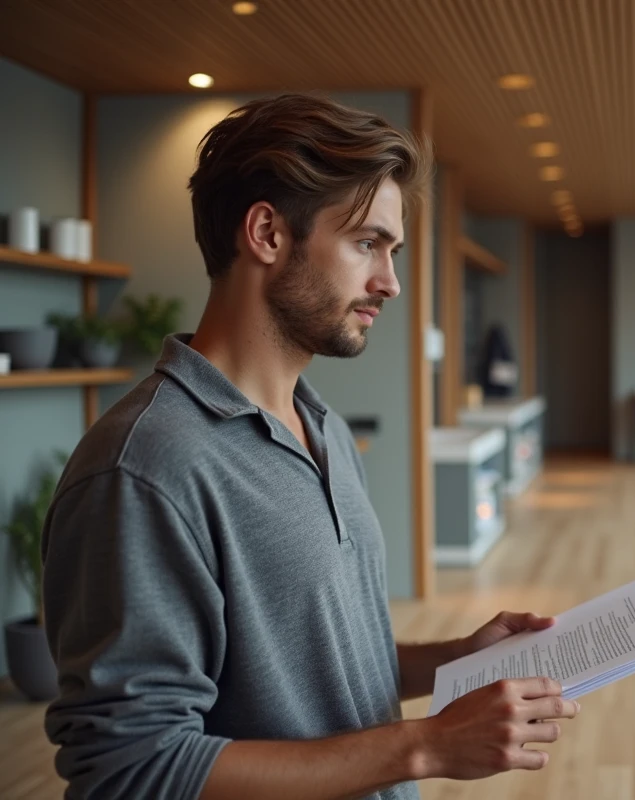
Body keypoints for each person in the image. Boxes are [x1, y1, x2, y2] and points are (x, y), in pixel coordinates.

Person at [40, 93, 578, 800]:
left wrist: (454, 661)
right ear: (266, 232)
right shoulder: (142, 471)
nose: (389, 282)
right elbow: (131, 767)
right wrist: (425, 745)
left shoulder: (322, 427)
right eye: (366, 244)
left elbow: (314, 660)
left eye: (393, 251)